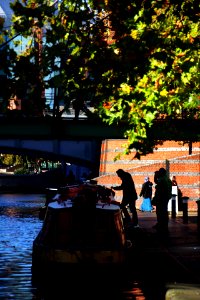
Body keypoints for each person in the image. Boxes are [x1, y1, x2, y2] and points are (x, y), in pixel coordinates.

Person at [152, 168, 172, 234]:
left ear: (161, 173)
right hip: (166, 198)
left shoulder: (162, 180)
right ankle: (163, 225)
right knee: (164, 211)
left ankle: (161, 225)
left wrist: (155, 175)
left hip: (161, 198)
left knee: (160, 212)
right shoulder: (167, 179)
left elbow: (158, 188)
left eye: (160, 172)